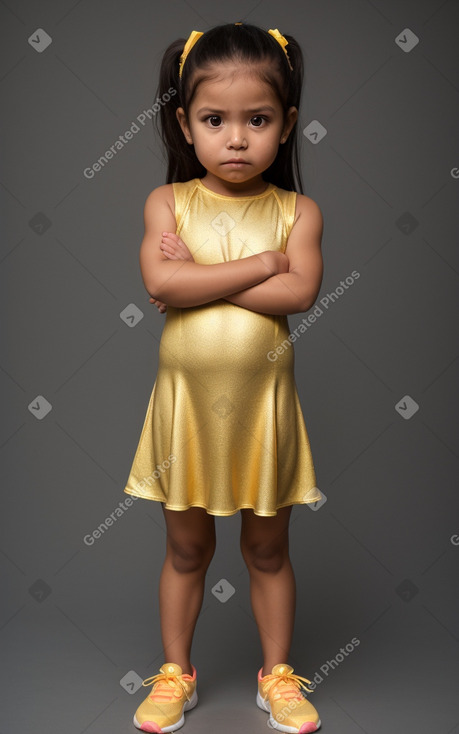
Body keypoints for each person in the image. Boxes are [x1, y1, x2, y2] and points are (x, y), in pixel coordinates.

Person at [123, 21, 324, 734]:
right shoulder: (166, 203)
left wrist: (198, 279)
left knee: (267, 549)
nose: (235, 138)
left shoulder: (296, 211)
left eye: (257, 120)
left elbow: (299, 295)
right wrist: (260, 265)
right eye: (214, 120)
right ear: (185, 122)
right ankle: (175, 672)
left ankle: (277, 676)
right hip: (186, 416)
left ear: (286, 123)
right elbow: (158, 278)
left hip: (261, 410)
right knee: (185, 548)